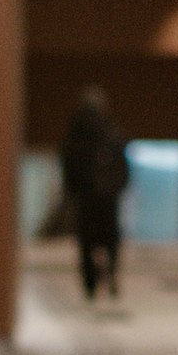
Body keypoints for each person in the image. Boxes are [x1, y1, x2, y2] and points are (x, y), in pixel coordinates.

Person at [59, 87, 129, 303]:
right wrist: (117, 188)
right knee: (110, 239)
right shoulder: (110, 132)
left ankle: (91, 283)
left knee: (87, 241)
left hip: (86, 198)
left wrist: (73, 192)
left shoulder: (75, 134)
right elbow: (122, 167)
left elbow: (68, 166)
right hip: (106, 198)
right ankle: (109, 276)